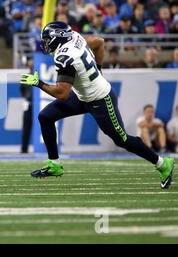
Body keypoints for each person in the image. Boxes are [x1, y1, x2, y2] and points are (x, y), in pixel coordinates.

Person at [20, 21, 174, 189]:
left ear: (58, 38)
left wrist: (39, 83)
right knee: (45, 116)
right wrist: (98, 69)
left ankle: (162, 163)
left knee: (121, 139)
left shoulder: (64, 57)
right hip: (82, 96)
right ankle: (54, 164)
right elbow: (99, 42)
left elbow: (62, 94)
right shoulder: (75, 38)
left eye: (48, 40)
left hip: (100, 99)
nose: (46, 44)